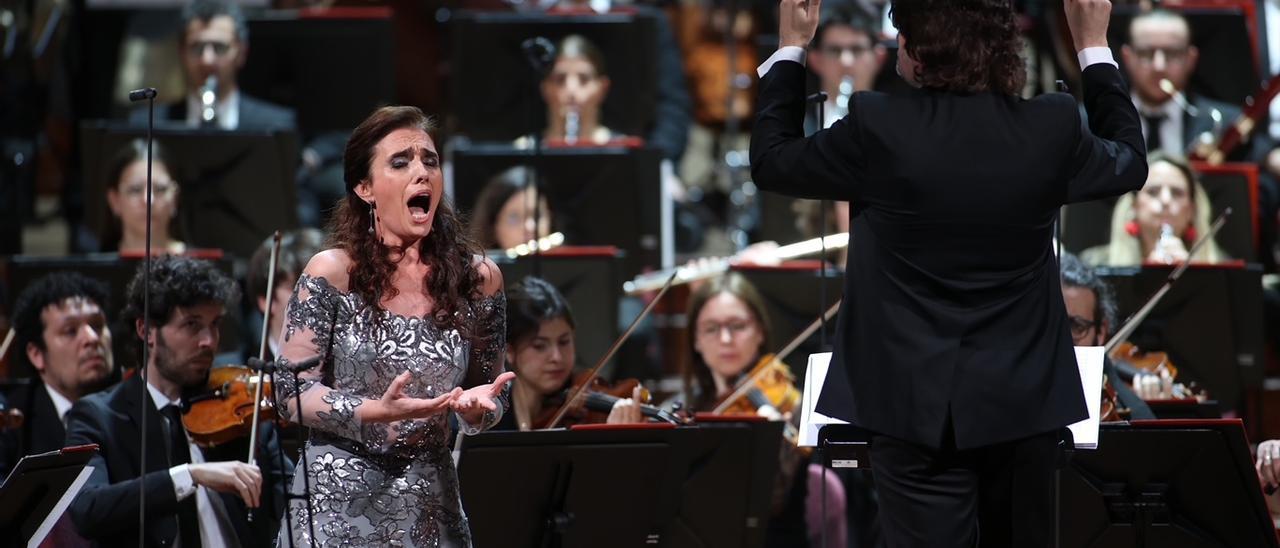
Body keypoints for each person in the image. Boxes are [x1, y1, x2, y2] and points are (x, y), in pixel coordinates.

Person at [749, 0, 1146, 544]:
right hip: (1023, 403)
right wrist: (1092, 46)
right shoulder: (1050, 125)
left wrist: (791, 45)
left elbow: (772, 160)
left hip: (909, 411)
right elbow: (1129, 159)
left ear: (920, 48)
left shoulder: (876, 126)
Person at [272, 105, 513, 547]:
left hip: (429, 508)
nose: (421, 172)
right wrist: (373, 413)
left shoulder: (478, 281)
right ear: (365, 188)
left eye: (430, 160)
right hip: (334, 510)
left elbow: (492, 390)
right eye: (400, 162)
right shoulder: (332, 272)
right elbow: (288, 392)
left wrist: (482, 409)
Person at [65, 255, 290, 546]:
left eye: (214, 324)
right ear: (146, 330)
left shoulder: (241, 411)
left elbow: (294, 497)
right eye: (192, 325)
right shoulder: (99, 416)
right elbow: (87, 509)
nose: (209, 340)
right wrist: (190, 475)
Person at [683, 272, 851, 548]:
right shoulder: (683, 412)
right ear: (696, 340)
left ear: (760, 331)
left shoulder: (792, 408)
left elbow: (772, 505)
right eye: (711, 328)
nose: (725, 339)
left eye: (737, 326)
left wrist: (771, 443)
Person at [0, 272, 114, 478]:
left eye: (97, 325)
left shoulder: (134, 402)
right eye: (70, 330)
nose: (92, 338)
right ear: (36, 354)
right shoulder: (13, 422)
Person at [492, 276, 641, 430]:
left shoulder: (588, 412)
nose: (557, 357)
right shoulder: (492, 414)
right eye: (539, 346)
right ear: (509, 351)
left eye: (564, 342)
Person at [128, 0, 294, 131]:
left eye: (219, 48)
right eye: (197, 48)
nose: (207, 60)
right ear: (181, 52)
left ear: (242, 52)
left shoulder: (275, 126)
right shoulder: (147, 126)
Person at [1081, 152, 1229, 266]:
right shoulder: (1095, 264)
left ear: (1191, 210)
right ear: (1134, 206)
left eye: (1177, 193)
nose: (1165, 200)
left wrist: (1191, 277)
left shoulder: (1222, 269)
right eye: (1153, 192)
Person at [1058, 252, 1156, 420]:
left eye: (1076, 326)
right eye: (1052, 324)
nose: (1062, 338)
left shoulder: (1135, 415)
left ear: (1101, 331)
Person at [244, 228, 325, 362]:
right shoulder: (245, 372)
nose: (315, 298)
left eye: (321, 287)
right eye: (299, 287)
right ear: (266, 300)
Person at [805, 4, 887, 133]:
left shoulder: (897, 124)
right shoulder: (794, 125)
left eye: (857, 49)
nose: (846, 62)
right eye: (834, 51)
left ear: (879, 58)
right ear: (815, 60)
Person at [105, 139, 186, 254]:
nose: (148, 200)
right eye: (135, 190)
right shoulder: (90, 267)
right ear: (114, 200)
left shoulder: (203, 265)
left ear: (175, 198)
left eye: (160, 189)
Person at [467, 166, 553, 250]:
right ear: (491, 228)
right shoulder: (474, 263)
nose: (530, 227)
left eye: (537, 215)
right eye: (514, 218)